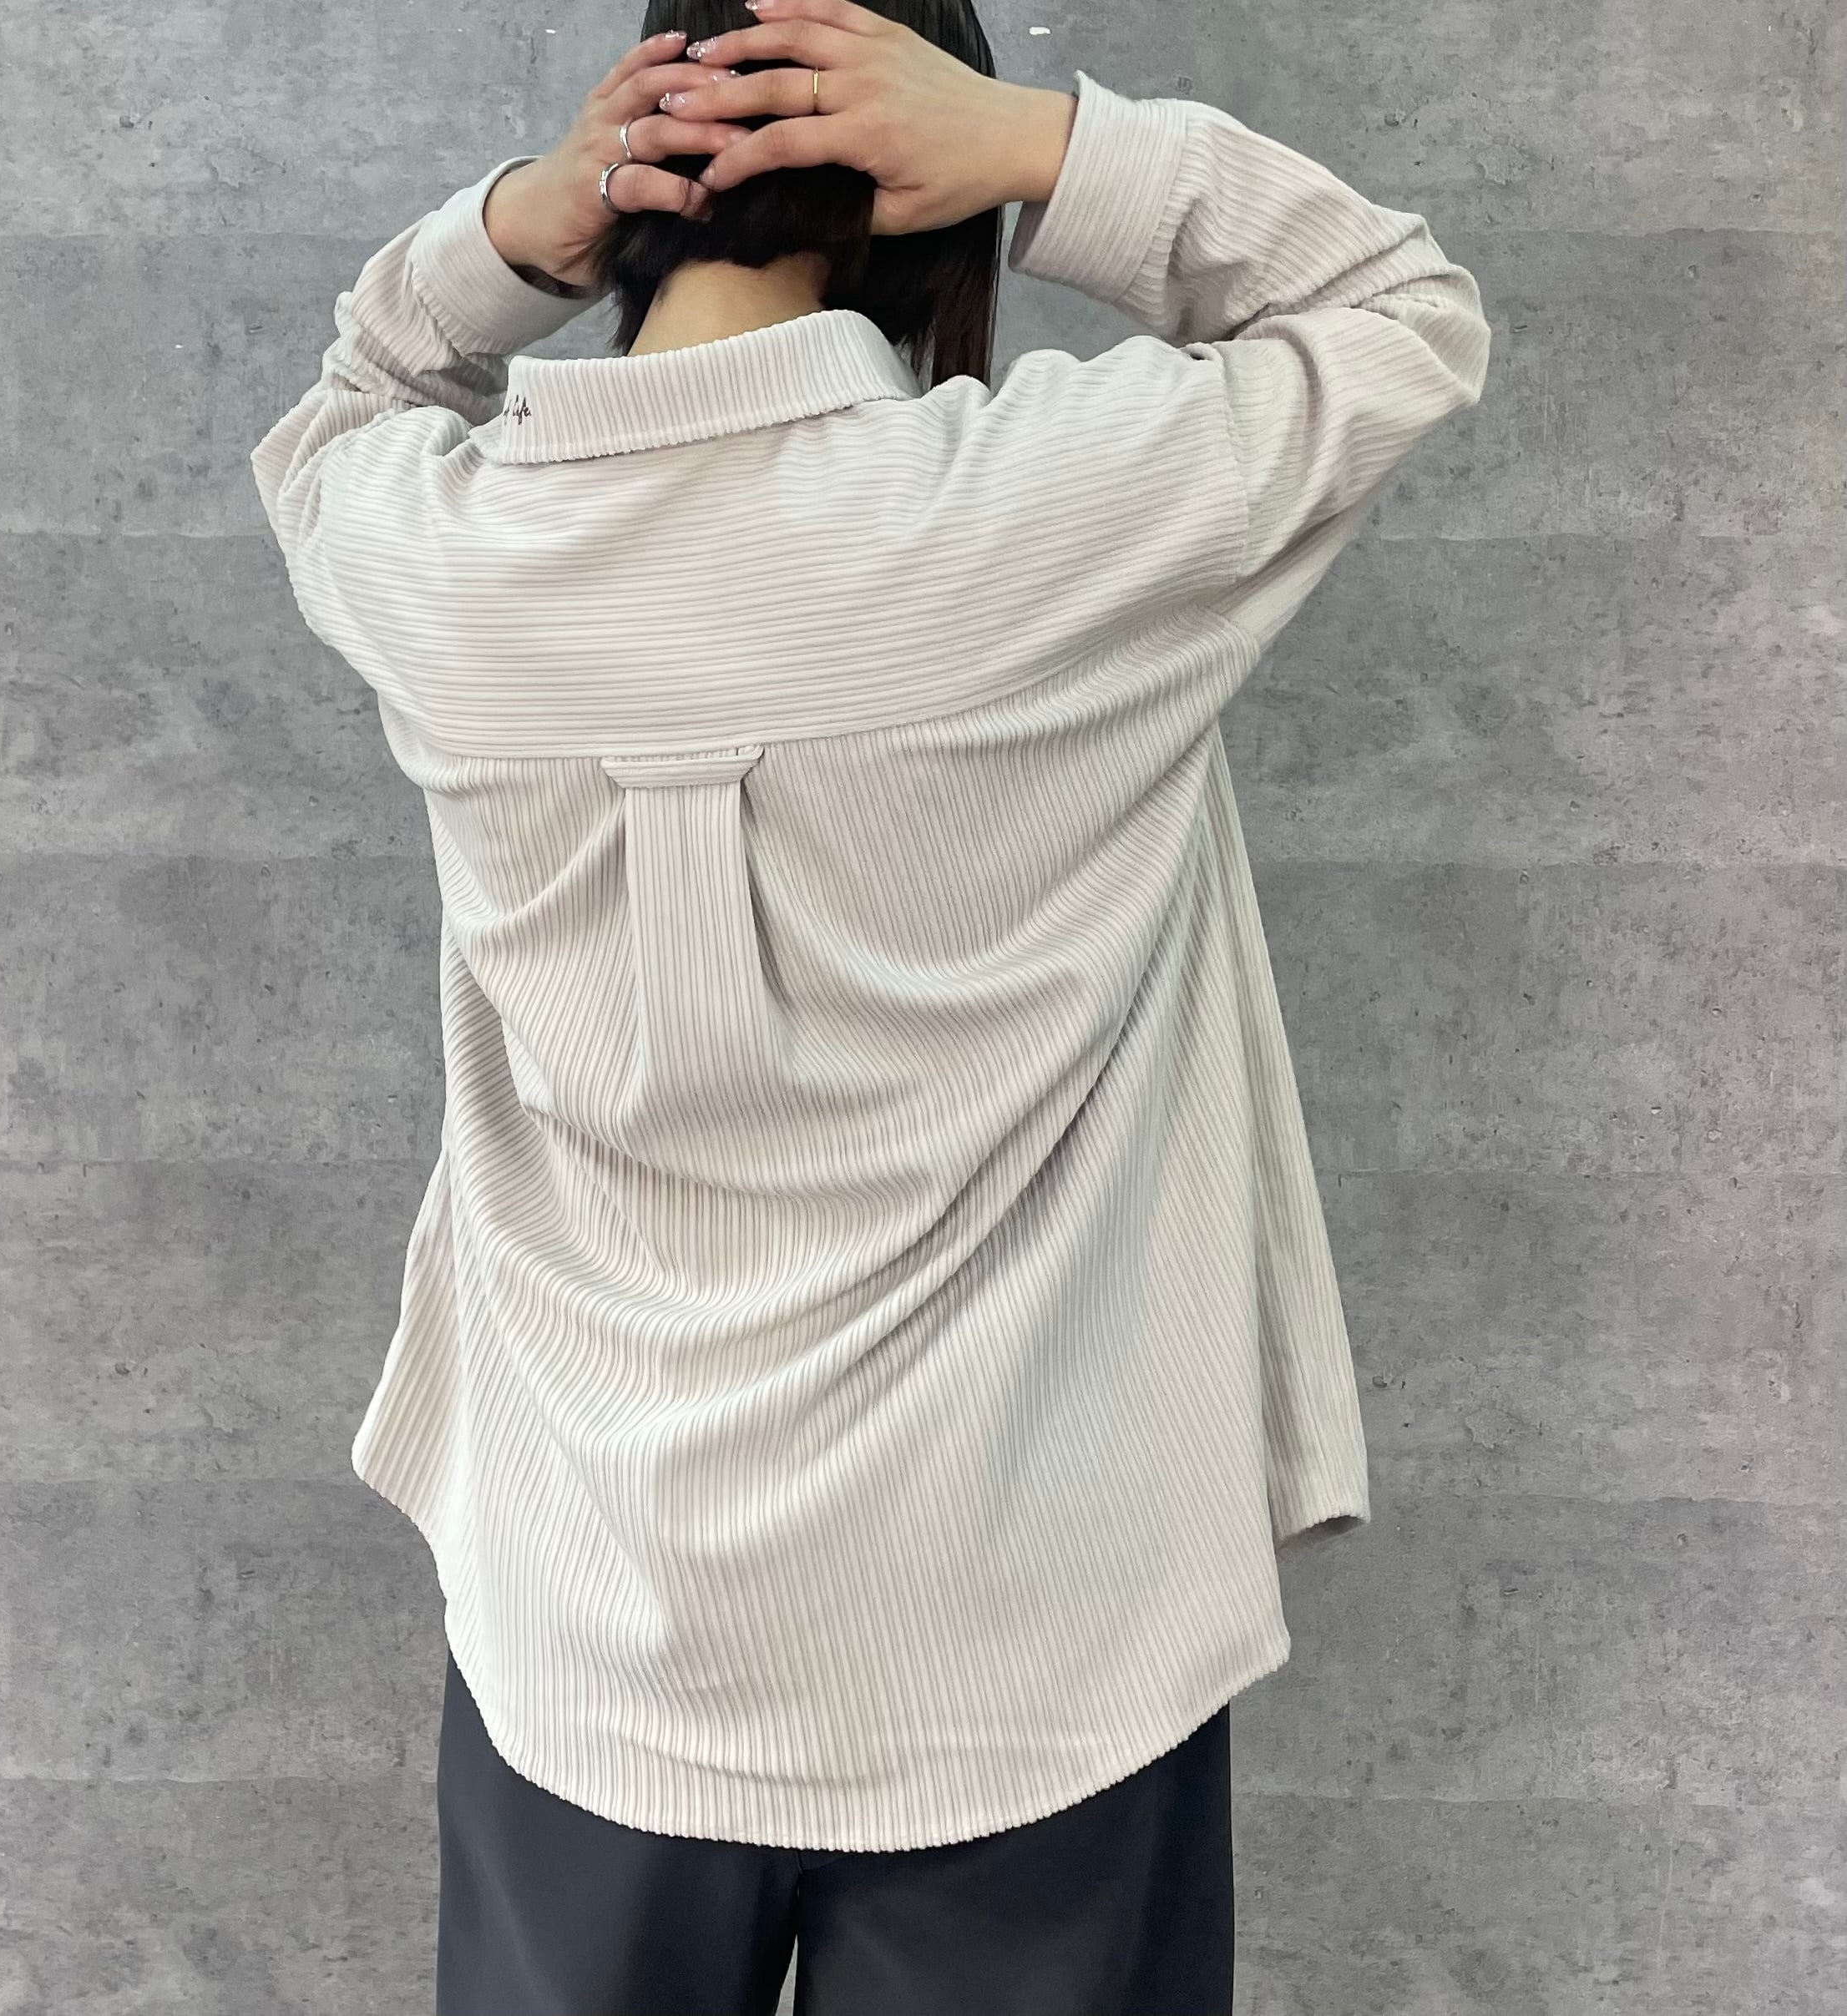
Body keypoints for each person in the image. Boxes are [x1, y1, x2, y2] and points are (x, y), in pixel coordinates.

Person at [248, 2, 1490, 2010]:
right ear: (925, 204)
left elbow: (338, 407)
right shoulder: (1047, 506)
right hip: (1030, 1643)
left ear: (632, 197)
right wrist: (1048, 146)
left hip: (589, 1617)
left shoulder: (440, 547)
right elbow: (1394, 310)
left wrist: (506, 231)